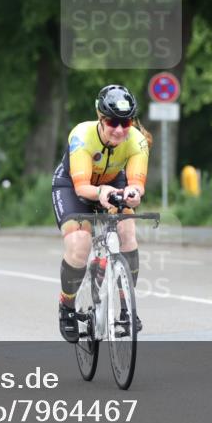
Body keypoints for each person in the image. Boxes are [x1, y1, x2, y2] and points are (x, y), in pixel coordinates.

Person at [52, 85, 152, 343]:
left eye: (126, 122)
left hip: (113, 182)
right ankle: (67, 306)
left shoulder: (137, 141)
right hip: (73, 186)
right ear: (100, 117)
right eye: (112, 122)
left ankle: (126, 309)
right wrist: (100, 193)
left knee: (127, 231)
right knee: (79, 244)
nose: (119, 129)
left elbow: (136, 183)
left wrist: (134, 193)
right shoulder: (82, 135)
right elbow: (82, 187)